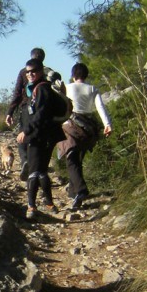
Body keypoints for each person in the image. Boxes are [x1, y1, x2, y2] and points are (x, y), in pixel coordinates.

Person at [15, 59, 66, 220]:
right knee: (41, 171)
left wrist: (26, 131)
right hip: (46, 135)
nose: (30, 74)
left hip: (40, 136)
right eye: (27, 72)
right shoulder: (37, 88)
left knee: (34, 171)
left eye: (34, 71)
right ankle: (50, 204)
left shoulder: (42, 89)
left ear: (41, 72)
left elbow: (40, 114)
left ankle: (31, 206)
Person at [60, 62, 113, 209]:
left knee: (71, 159)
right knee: (78, 159)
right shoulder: (92, 89)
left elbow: (60, 106)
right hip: (88, 127)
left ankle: (81, 190)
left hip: (70, 126)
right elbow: (100, 107)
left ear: (73, 75)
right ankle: (73, 192)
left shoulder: (67, 88)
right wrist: (107, 124)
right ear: (86, 74)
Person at [6, 48, 55, 179]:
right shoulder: (49, 72)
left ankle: (26, 162)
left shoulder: (24, 72)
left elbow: (17, 93)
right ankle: (39, 171)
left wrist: (10, 112)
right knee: (40, 143)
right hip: (46, 113)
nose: (31, 74)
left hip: (26, 110)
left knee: (22, 139)